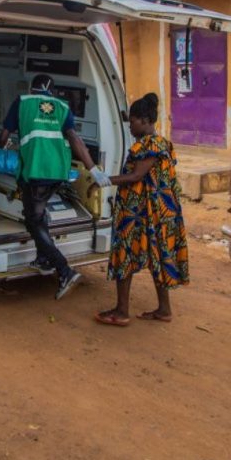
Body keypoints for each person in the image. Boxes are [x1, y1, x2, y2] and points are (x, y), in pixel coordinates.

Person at [0, 73, 110, 300]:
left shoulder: (22, 102)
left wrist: (4, 145)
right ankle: (43, 259)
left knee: (33, 221)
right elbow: (75, 139)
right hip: (58, 172)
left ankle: (64, 270)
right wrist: (94, 170)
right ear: (51, 90)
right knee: (39, 216)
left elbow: (3, 137)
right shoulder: (62, 107)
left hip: (35, 171)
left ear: (32, 88)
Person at [94, 94, 188, 326]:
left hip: (142, 213)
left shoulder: (148, 145)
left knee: (124, 253)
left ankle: (121, 311)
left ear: (145, 120)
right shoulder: (162, 143)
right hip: (161, 213)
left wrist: (104, 180)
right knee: (159, 256)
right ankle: (164, 309)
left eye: (133, 121)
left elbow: (136, 176)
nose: (130, 126)